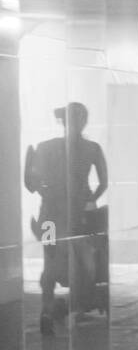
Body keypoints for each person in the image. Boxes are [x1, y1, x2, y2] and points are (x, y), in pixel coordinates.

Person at [23, 102, 107, 335]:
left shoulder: (50, 147)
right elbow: (103, 183)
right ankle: (54, 308)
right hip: (72, 215)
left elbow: (33, 181)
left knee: (65, 262)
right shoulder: (88, 148)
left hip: (62, 215)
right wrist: (86, 200)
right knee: (71, 262)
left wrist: (48, 193)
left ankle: (55, 308)